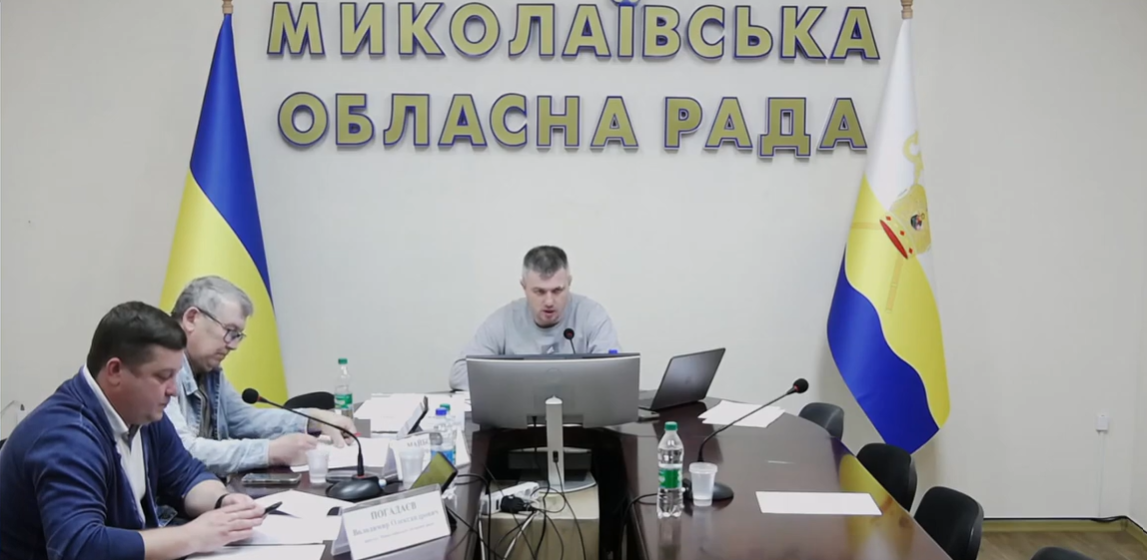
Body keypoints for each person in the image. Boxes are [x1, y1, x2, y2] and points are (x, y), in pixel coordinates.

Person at [0, 301, 266, 560]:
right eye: (163, 376)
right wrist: (194, 535)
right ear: (115, 371)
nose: (173, 390)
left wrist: (223, 503)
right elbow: (80, 548)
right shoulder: (67, 438)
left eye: (175, 375)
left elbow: (185, 474)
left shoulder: (142, 411)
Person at [164, 276, 357, 475]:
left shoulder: (209, 371)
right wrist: (269, 451)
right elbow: (184, 450)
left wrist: (313, 419)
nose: (233, 346)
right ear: (191, 319)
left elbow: (246, 420)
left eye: (237, 336)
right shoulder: (162, 373)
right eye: (230, 331)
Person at [449, 245, 621, 390]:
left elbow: (614, 375)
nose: (549, 301)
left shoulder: (591, 315)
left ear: (569, 283)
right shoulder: (505, 320)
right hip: (516, 417)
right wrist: (524, 387)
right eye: (539, 292)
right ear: (524, 286)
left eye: (557, 290)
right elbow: (459, 373)